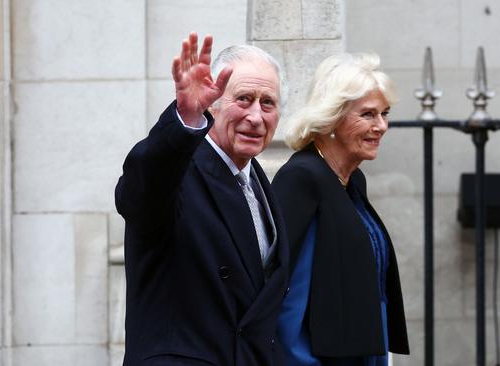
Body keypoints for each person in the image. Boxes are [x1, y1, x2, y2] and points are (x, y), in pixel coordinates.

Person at [115, 32, 290, 365]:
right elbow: (138, 192)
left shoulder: (257, 182)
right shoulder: (179, 170)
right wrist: (185, 121)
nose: (256, 116)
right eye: (243, 99)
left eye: (267, 103)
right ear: (214, 103)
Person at [272, 53, 409, 365]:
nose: (382, 126)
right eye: (368, 115)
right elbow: (288, 302)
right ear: (332, 117)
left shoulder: (352, 181)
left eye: (385, 114)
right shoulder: (303, 178)